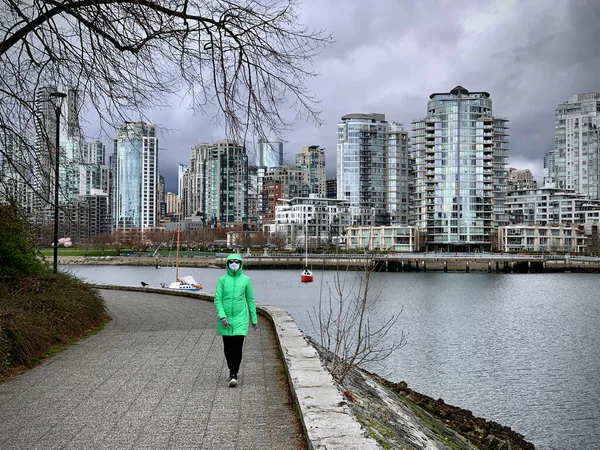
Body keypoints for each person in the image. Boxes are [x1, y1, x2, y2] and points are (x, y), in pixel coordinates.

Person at [214, 253, 258, 387]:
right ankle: (230, 368)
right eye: (231, 262)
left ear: (240, 264)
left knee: (237, 347)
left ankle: (234, 373)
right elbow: (218, 299)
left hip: (240, 318)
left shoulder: (246, 280)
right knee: (228, 348)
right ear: (227, 264)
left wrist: (254, 320)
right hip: (225, 319)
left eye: (236, 262)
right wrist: (222, 316)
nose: (234, 264)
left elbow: (250, 300)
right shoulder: (222, 280)